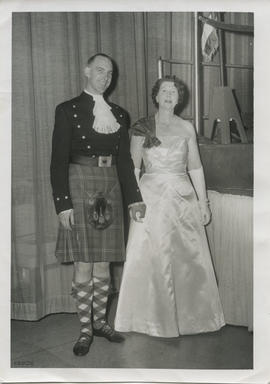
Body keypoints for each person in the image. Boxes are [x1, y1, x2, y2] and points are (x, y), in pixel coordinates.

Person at [50, 53, 146, 356]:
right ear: (87, 71)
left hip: (111, 187)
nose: (106, 77)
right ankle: (84, 329)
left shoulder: (119, 114)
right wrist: (63, 204)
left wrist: (134, 199)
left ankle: (101, 322)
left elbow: (124, 160)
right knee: (84, 262)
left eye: (110, 73)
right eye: (100, 70)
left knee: (104, 262)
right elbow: (57, 161)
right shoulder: (67, 110)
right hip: (79, 183)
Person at [114, 75, 225, 337]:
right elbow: (134, 168)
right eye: (164, 90)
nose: (168, 95)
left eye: (174, 91)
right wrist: (134, 201)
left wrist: (203, 202)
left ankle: (192, 318)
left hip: (183, 199)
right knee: (149, 256)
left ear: (179, 98)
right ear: (155, 96)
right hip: (150, 198)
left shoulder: (187, 128)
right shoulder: (142, 127)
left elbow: (195, 167)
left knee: (188, 259)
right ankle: (149, 319)